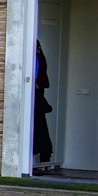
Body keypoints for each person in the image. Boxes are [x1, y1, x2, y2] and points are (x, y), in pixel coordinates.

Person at [33, 41, 55, 173]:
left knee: (39, 125)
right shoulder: (38, 55)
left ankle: (43, 155)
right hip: (37, 93)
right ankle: (43, 155)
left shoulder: (37, 55)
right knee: (39, 126)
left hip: (37, 94)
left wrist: (35, 83)